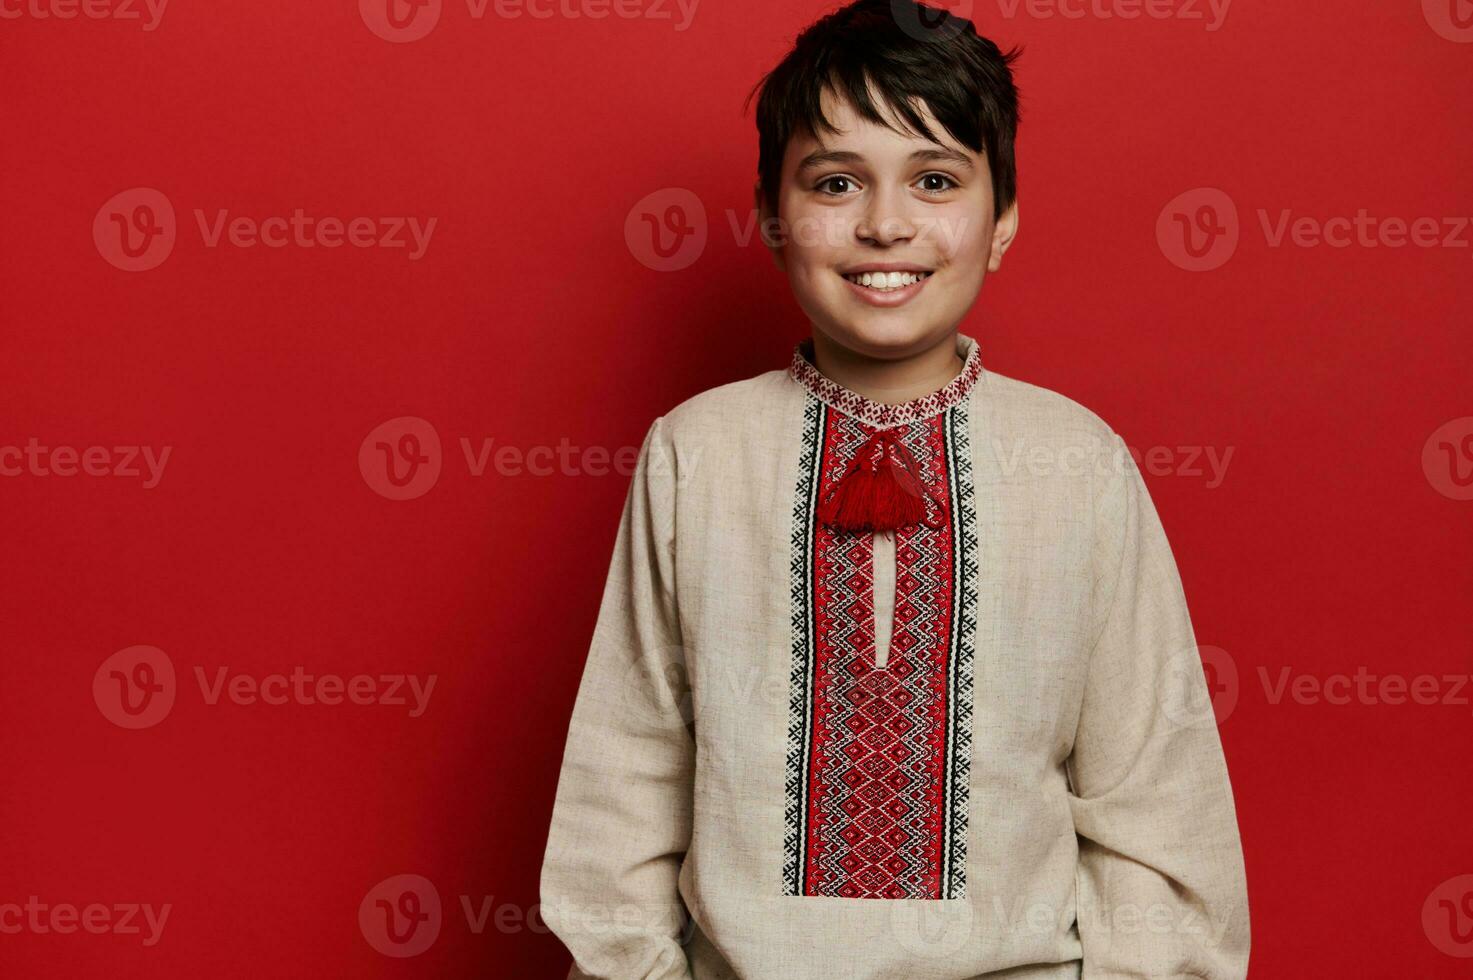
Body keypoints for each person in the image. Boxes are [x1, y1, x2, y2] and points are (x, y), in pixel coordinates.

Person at [539, 1, 1250, 976]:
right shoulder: (694, 455)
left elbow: (1154, 807)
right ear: (771, 216)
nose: (883, 223)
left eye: (935, 180)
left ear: (1001, 221)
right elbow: (622, 784)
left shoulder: (1077, 463)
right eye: (836, 182)